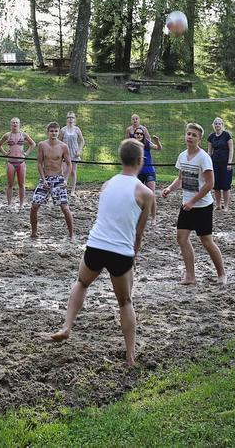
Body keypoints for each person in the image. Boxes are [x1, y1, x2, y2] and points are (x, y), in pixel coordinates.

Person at [50, 138, 155, 366]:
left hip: (96, 245)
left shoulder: (106, 184)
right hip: (120, 251)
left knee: (82, 282)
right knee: (125, 302)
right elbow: (139, 233)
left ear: (120, 159)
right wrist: (133, 256)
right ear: (140, 160)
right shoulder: (146, 193)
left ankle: (67, 326)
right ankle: (130, 355)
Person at [162, 123, 227, 285]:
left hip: (202, 206)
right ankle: (190, 276)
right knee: (181, 238)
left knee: (206, 241)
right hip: (187, 205)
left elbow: (210, 183)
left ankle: (222, 274)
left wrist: (193, 201)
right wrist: (170, 188)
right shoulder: (182, 156)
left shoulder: (204, 157)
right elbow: (180, 178)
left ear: (199, 139)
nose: (190, 137)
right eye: (188, 134)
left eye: (194, 135)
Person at [30, 122, 75, 239]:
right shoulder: (42, 145)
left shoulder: (63, 146)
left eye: (56, 131)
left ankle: (71, 234)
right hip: (45, 179)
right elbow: (39, 163)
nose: (54, 133)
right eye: (51, 131)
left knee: (64, 207)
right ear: (47, 132)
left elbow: (69, 165)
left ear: (59, 132)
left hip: (58, 179)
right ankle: (34, 232)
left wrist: (65, 179)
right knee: (34, 206)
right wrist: (43, 179)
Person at [0, 118, 36, 211]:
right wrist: (5, 153)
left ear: (19, 124)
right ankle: (9, 204)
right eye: (13, 123)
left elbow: (33, 144)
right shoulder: (7, 135)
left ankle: (21, 204)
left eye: (16, 123)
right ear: (11, 124)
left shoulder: (23, 135)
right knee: (10, 184)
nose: (15, 124)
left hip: (21, 162)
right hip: (10, 162)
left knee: (21, 184)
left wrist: (26, 153)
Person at [207, 117, 234, 211]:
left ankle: (226, 206)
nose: (217, 125)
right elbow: (209, 152)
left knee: (226, 186)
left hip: (225, 164)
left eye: (219, 123)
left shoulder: (227, 135)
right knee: (216, 185)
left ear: (222, 125)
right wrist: (208, 164)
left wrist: (229, 162)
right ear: (213, 125)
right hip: (214, 163)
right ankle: (218, 205)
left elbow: (231, 150)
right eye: (216, 123)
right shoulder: (211, 136)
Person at [58, 111, 86, 196]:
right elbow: (59, 141)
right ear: (66, 119)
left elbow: (82, 141)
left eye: (72, 117)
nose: (70, 119)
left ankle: (73, 191)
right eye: (69, 117)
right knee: (63, 171)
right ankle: (63, 189)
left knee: (73, 172)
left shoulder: (77, 129)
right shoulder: (63, 130)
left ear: (74, 119)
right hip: (65, 153)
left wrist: (79, 150)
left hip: (74, 153)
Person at [131, 126, 161, 194]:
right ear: (134, 134)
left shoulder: (146, 143)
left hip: (149, 172)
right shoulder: (132, 145)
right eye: (137, 133)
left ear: (143, 135)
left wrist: (157, 141)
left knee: (151, 194)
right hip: (138, 173)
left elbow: (158, 148)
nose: (139, 135)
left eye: (141, 134)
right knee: (137, 195)